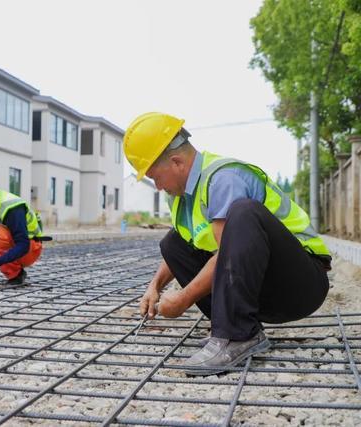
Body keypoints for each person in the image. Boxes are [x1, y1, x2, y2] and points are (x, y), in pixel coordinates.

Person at [124, 112, 331, 375]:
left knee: (244, 212)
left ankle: (237, 335)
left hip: (300, 284)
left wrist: (183, 300)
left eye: (155, 176)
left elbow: (225, 254)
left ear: (176, 162)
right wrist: (154, 287)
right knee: (172, 243)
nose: (157, 186)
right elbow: (186, 245)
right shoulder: (180, 198)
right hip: (262, 286)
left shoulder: (223, 179)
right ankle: (237, 330)